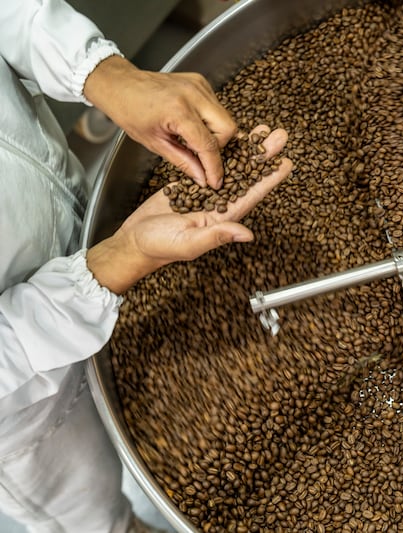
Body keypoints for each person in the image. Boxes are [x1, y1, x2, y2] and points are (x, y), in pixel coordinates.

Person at [0, 1, 293, 531]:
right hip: (24, 411)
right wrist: (116, 262)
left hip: (72, 223)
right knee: (93, 514)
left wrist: (104, 75)